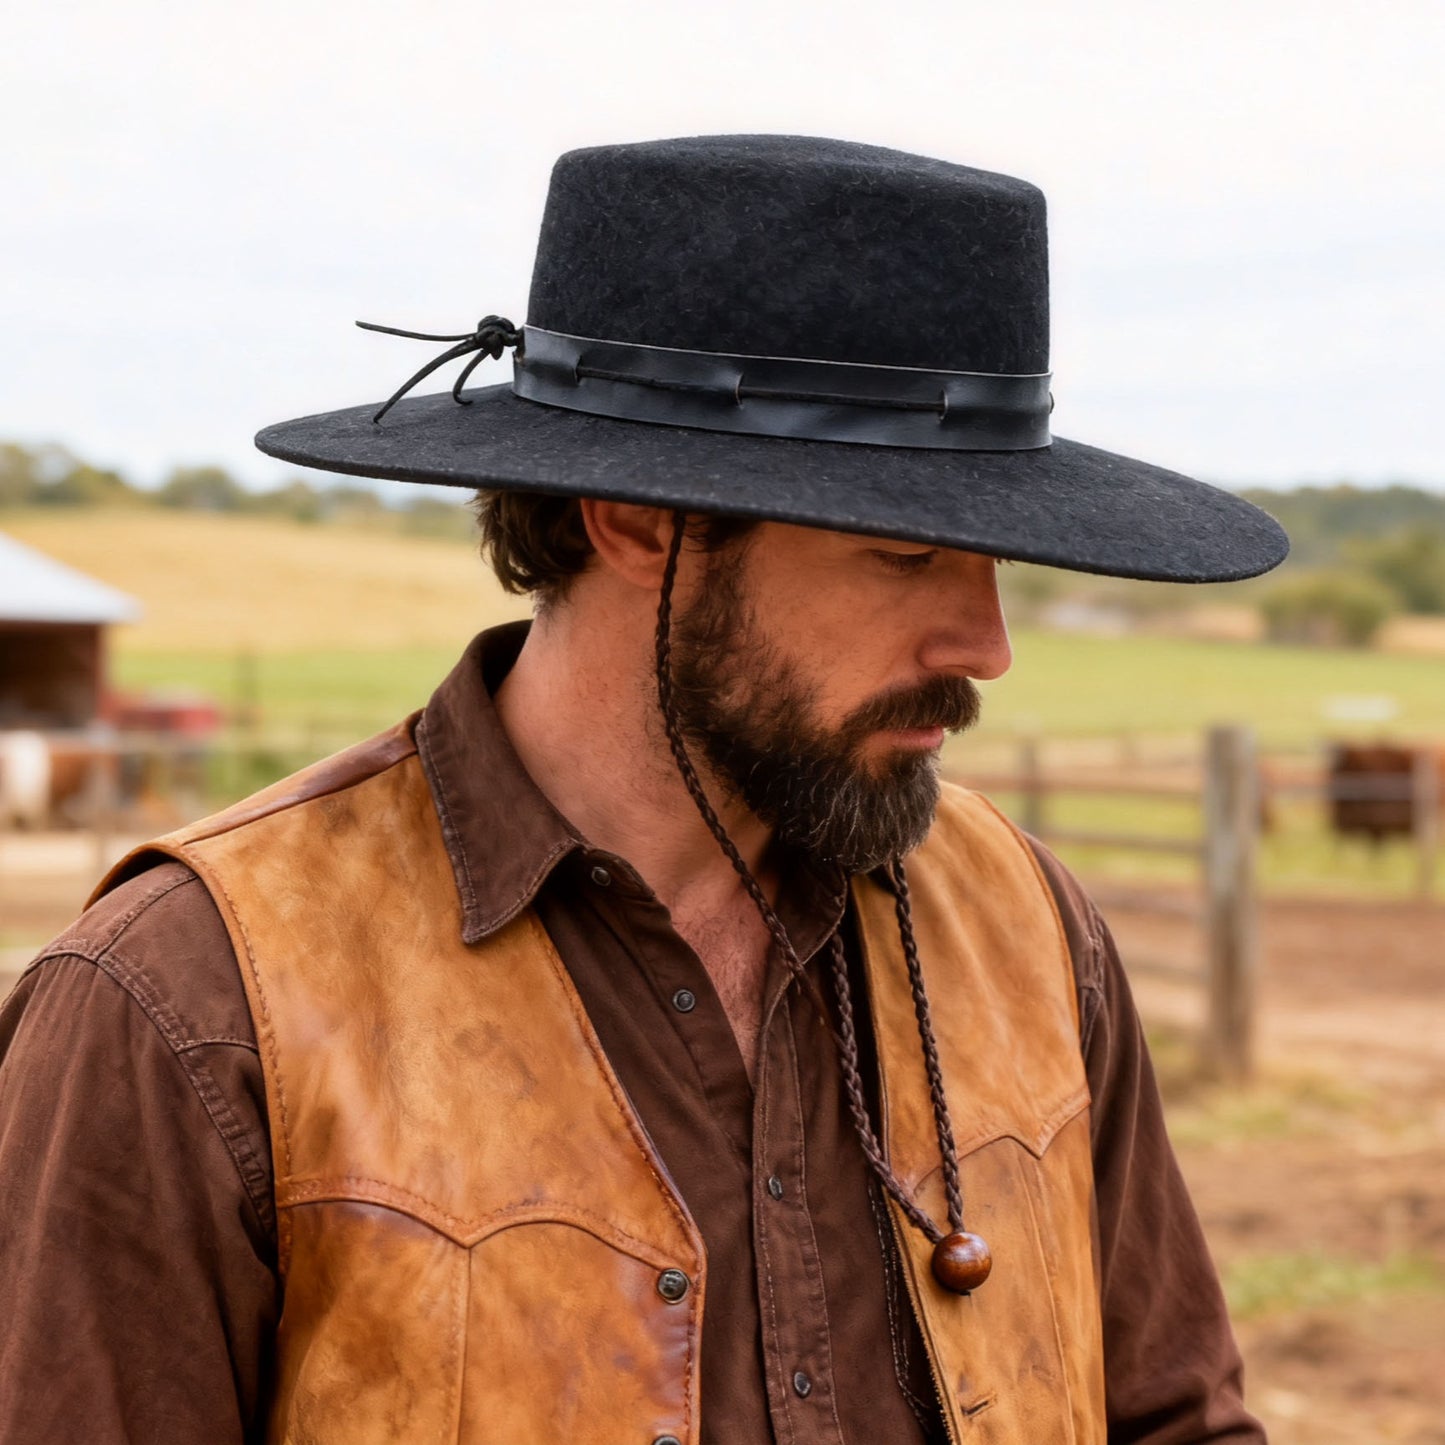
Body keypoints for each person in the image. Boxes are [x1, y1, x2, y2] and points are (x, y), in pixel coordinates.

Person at [0, 136, 1287, 1444]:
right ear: (635, 520)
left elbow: (1176, 1419)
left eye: (996, 561)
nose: (985, 645)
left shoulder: (1022, 927)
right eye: (903, 552)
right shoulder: (189, 1000)